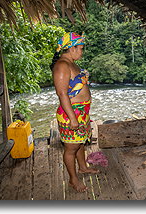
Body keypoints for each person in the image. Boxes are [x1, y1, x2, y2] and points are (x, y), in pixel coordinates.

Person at [50, 32, 99, 193]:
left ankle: (83, 167)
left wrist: (83, 116)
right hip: (70, 113)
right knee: (71, 148)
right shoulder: (62, 66)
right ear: (71, 48)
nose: (82, 51)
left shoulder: (72, 63)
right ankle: (73, 179)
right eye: (80, 48)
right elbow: (62, 93)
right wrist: (72, 118)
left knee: (80, 142)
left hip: (81, 111)